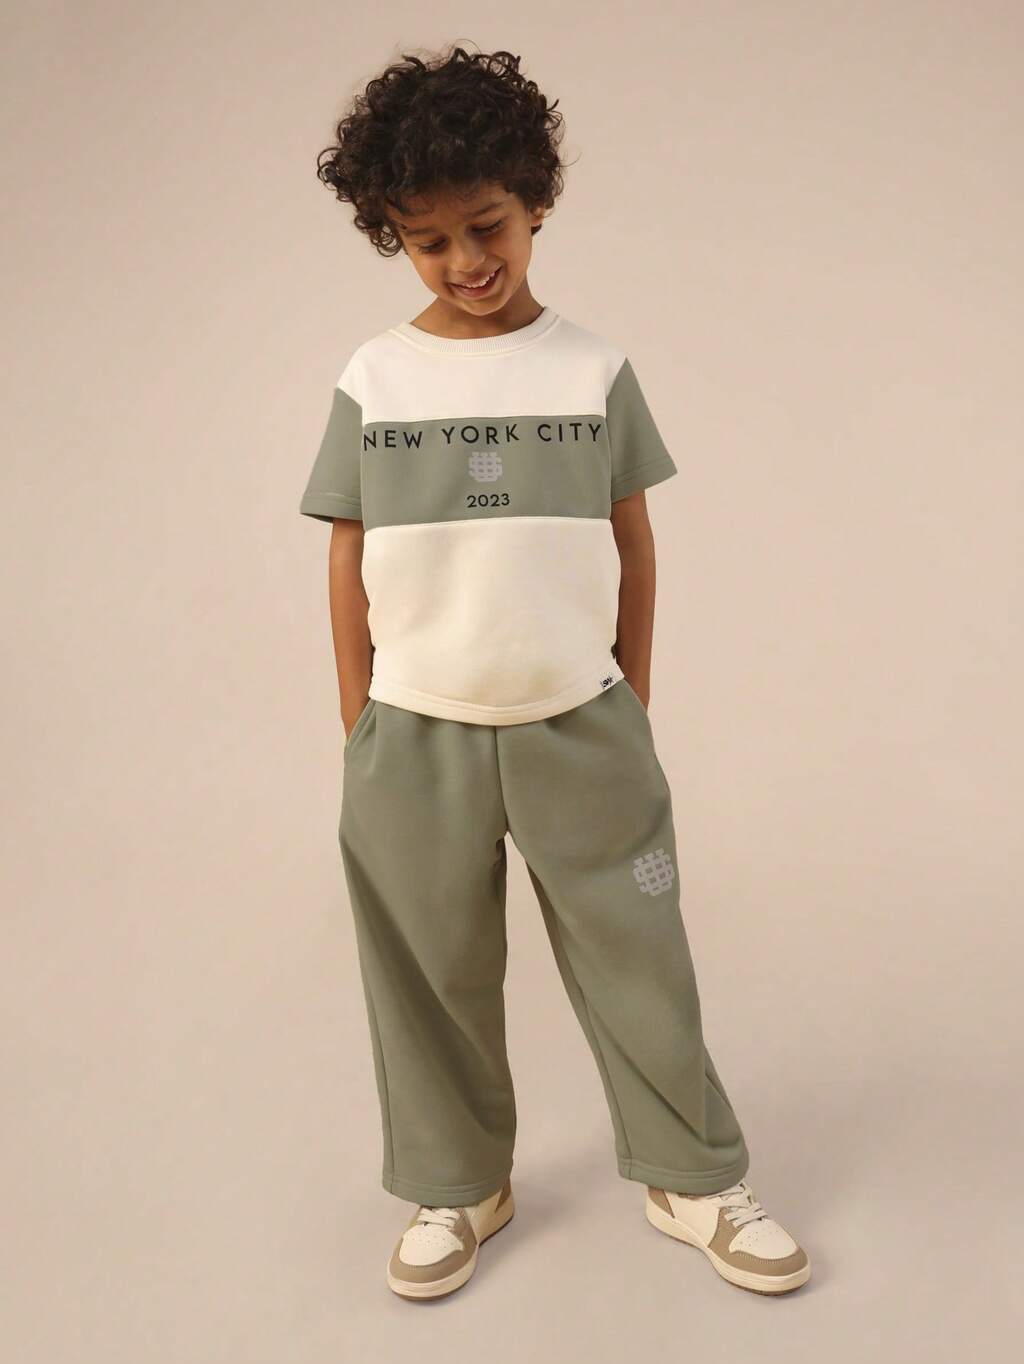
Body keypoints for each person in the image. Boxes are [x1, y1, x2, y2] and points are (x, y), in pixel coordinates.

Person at [300, 44, 810, 1300]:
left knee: (640, 957)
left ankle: (692, 1174)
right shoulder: (374, 378)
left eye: (487, 225)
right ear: (392, 235)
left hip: (580, 723)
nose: (465, 261)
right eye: (428, 241)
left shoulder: (594, 371)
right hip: (413, 736)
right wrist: (359, 720)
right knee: (427, 972)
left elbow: (633, 538)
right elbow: (347, 550)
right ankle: (458, 1180)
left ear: (536, 201)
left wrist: (631, 690)